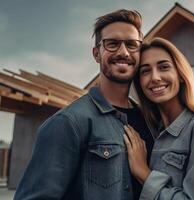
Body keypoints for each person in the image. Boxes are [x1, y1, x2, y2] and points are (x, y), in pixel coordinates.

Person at [14, 9, 154, 200]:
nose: (123, 52)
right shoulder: (67, 123)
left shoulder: (151, 119)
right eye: (112, 44)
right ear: (97, 54)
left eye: (131, 45)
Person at [123, 37, 194, 199]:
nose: (155, 77)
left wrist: (144, 173)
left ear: (180, 74)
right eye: (145, 71)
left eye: (163, 67)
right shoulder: (149, 130)